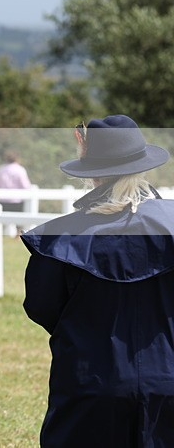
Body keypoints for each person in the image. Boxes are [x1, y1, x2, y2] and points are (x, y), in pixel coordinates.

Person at [22, 114, 174, 447]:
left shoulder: (58, 239)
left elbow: (42, 309)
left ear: (93, 173)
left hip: (90, 386)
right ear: (141, 166)